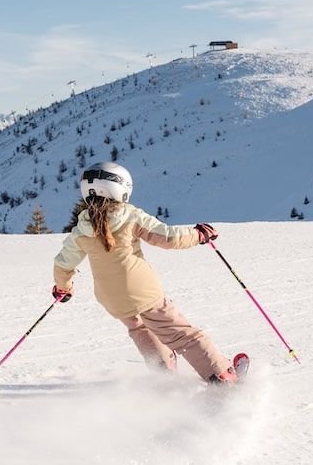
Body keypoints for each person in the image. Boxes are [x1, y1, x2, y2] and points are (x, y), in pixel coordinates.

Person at [52, 162, 238, 384]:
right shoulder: (129, 216)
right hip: (144, 293)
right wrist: (198, 235)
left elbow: (63, 264)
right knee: (180, 334)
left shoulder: (81, 229)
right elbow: (168, 237)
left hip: (112, 299)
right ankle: (222, 375)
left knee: (140, 329)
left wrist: (63, 287)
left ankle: (164, 375)